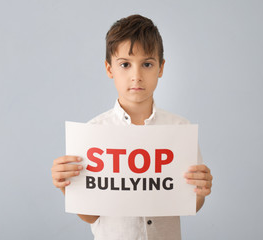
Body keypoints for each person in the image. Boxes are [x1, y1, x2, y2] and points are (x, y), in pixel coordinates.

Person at [51, 14, 213, 240]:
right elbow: (90, 215)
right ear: (109, 69)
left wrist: (200, 192)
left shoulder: (179, 130)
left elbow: (190, 204)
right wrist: (67, 188)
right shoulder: (93, 133)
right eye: (125, 65)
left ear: (161, 68)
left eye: (147, 64)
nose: (136, 76)